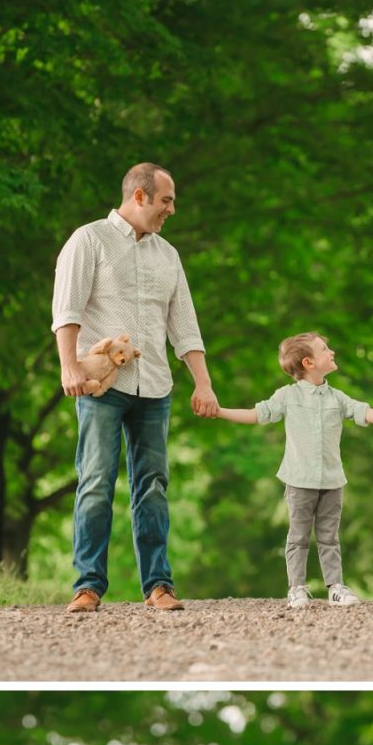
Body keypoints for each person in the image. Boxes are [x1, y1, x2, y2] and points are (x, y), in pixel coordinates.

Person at [50, 163, 219, 616]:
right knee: (96, 482)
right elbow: (67, 310)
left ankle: (158, 585)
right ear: (139, 196)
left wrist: (203, 383)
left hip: (155, 387)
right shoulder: (89, 240)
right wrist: (69, 367)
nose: (171, 210)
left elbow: (185, 326)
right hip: (101, 387)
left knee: (153, 487)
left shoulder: (169, 255)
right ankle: (87, 586)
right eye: (166, 200)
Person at [209, 331, 373, 608]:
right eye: (324, 349)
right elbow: (256, 414)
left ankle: (336, 588)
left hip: (332, 481)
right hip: (299, 481)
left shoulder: (337, 398)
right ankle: (296, 588)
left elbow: (366, 412)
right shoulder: (287, 396)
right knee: (298, 538)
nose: (331, 352)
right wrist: (219, 411)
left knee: (330, 538)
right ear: (309, 363)